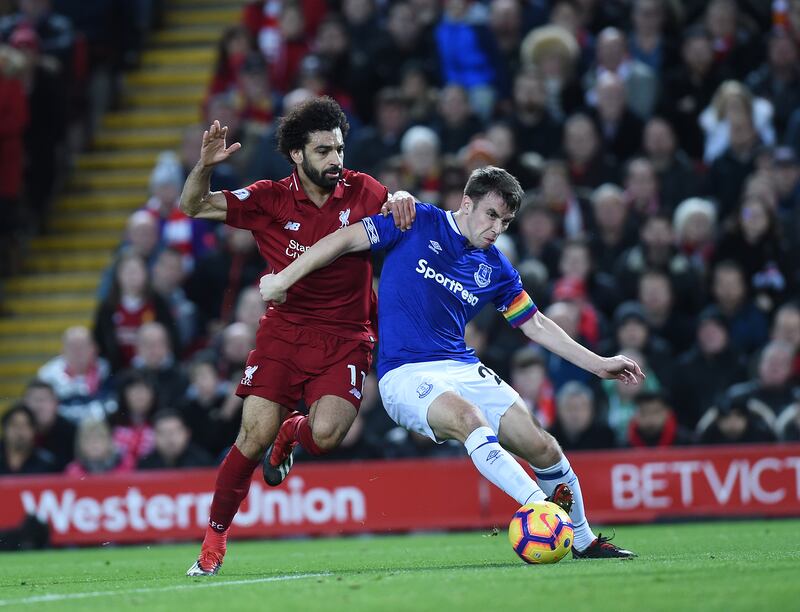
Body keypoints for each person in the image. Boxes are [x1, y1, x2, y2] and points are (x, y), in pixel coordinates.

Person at [261, 166, 644, 560]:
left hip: (460, 365)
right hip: (405, 373)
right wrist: (284, 278)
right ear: (467, 204)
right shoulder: (415, 220)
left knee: (542, 446)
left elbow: (537, 325)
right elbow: (343, 240)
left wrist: (599, 364)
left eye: (506, 221)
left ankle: (583, 541)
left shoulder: (495, 268)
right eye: (491, 215)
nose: (497, 228)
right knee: (470, 421)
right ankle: (540, 510)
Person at [180, 97, 415, 576]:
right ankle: (214, 540)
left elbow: (401, 210)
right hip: (284, 333)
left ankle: (294, 433)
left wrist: (404, 198)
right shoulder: (269, 198)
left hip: (348, 333)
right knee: (251, 433)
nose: (336, 160)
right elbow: (192, 205)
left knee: (326, 435)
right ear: (296, 155)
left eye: (340, 149)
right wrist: (203, 167)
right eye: (324, 150)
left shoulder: (364, 190)